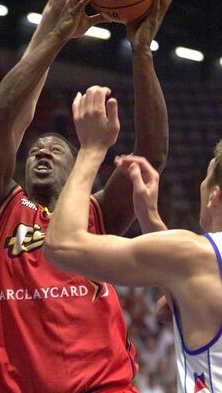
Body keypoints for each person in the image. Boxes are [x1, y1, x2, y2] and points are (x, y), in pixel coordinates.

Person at [0, 0, 177, 392]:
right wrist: (60, 31)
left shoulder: (97, 212)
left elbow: (151, 155)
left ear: (75, 168)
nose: (43, 149)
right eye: (36, 148)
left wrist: (141, 53)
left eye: (57, 148)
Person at [43, 87, 222, 392]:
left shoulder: (195, 255)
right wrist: (150, 218)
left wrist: (90, 150)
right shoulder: (195, 265)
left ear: (215, 196)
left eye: (206, 180)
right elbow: (182, 297)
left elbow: (61, 244)